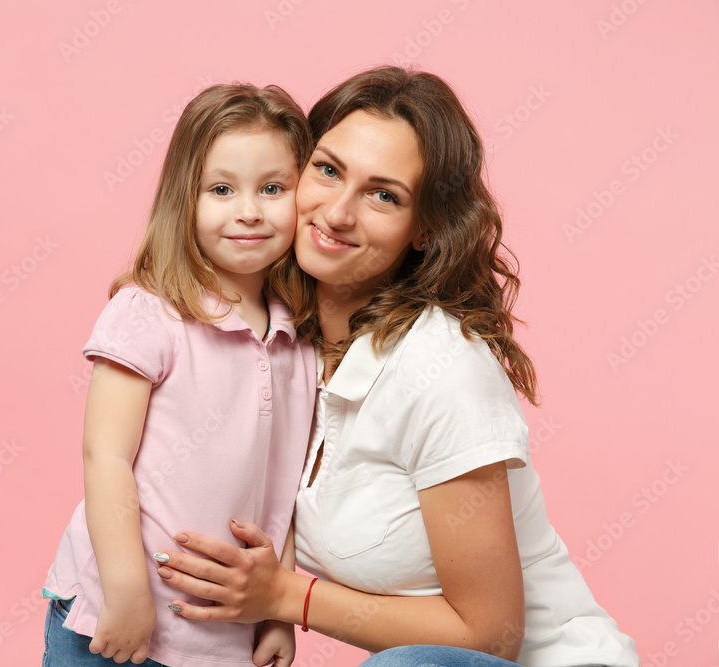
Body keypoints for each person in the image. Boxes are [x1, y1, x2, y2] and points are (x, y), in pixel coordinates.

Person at [152, 67, 640, 667]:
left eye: (384, 195)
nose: (337, 213)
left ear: (426, 229)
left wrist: (285, 596)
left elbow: (491, 637)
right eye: (328, 171)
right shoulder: (283, 348)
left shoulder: (443, 370)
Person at [41, 84, 318, 667]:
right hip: (111, 616)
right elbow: (106, 457)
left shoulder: (302, 339)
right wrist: (126, 595)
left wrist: (279, 613)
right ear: (183, 199)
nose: (248, 210)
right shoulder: (151, 311)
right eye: (221, 189)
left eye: (273, 188)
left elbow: (285, 492)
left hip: (220, 637)